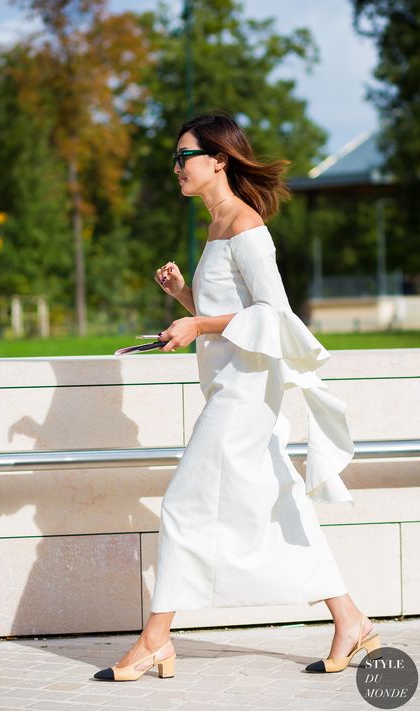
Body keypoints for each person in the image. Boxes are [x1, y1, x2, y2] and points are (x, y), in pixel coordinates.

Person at [93, 111, 381, 682]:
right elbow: (233, 313)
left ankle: (155, 640)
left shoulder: (245, 225)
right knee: (282, 505)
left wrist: (197, 326)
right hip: (230, 388)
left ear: (218, 159)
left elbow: (274, 316)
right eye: (175, 158)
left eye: (184, 156)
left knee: (180, 503)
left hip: (246, 396)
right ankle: (353, 621)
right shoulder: (217, 223)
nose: (176, 166)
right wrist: (186, 299)